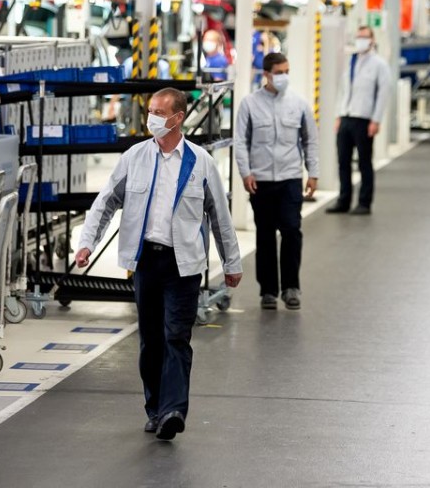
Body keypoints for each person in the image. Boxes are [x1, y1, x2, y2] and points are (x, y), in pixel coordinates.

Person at [75, 88, 242, 442]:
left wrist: (231, 262)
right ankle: (155, 408)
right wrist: (86, 242)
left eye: (158, 112)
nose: (151, 117)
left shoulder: (200, 162)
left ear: (177, 118)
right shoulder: (135, 157)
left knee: (176, 337)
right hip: (146, 261)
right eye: (150, 110)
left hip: (184, 265)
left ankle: (174, 410)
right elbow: (105, 202)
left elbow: (220, 217)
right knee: (151, 340)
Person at [234, 52, 319, 311]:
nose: (284, 76)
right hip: (261, 181)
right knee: (265, 235)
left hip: (290, 178)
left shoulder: (300, 104)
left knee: (292, 230)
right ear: (267, 75)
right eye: (279, 72)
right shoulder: (249, 104)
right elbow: (240, 141)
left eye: (286, 71)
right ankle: (268, 291)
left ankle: (291, 287)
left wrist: (312, 173)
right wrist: (245, 172)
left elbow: (310, 140)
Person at [327, 26, 392, 215]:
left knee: (364, 162)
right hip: (346, 117)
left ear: (372, 40)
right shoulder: (351, 62)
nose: (360, 40)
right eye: (358, 37)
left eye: (364, 37)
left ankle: (364, 202)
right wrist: (339, 115)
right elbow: (343, 91)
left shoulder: (379, 64)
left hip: (364, 119)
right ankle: (343, 200)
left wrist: (376, 120)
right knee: (343, 161)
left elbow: (383, 93)